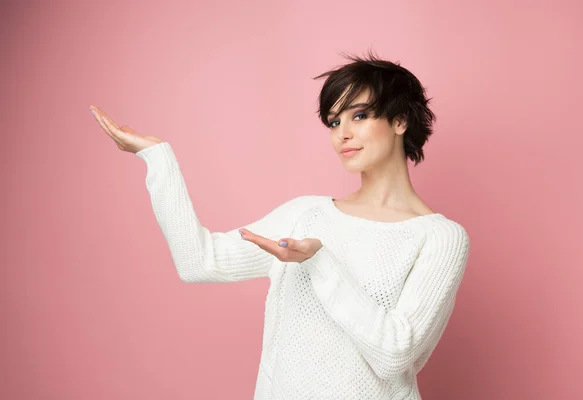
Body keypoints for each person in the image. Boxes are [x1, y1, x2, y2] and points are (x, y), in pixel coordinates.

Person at [89, 50, 470, 400]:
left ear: (400, 120)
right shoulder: (306, 214)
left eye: (359, 115)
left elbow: (394, 355)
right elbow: (198, 261)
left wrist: (318, 262)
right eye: (334, 121)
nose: (343, 133)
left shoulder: (440, 238)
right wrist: (158, 159)